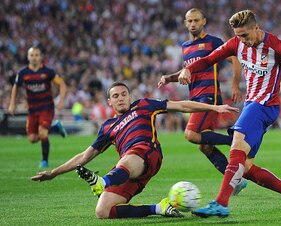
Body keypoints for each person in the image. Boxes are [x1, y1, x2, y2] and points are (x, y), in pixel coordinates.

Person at [176, 10, 281, 218]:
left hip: (264, 105)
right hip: (252, 104)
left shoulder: (277, 47)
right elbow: (209, 59)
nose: (242, 40)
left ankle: (220, 203)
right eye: (238, 35)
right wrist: (190, 69)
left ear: (256, 28)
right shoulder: (236, 43)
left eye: (245, 35)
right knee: (244, 166)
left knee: (236, 145)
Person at [31, 81, 240, 219]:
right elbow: (85, 156)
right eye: (116, 96)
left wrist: (214, 108)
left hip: (147, 153)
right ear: (109, 101)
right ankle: (159, 208)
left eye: (124, 94)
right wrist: (54, 173)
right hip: (128, 170)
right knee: (103, 211)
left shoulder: (143, 106)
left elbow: (181, 106)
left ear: (129, 96)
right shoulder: (107, 127)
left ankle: (102, 182)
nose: (121, 98)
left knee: (130, 155)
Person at [158, 8, 246, 195]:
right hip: (195, 96)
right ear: (185, 23)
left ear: (203, 21)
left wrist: (235, 84)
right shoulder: (185, 47)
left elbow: (235, 59)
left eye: (196, 20)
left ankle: (234, 141)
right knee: (204, 145)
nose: (193, 24)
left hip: (210, 95)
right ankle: (236, 180)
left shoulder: (213, 42)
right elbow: (187, 72)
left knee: (190, 134)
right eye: (189, 21)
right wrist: (169, 77)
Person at [8, 46, 67, 168]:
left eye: (36, 55)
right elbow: (15, 87)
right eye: (32, 55)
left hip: (47, 107)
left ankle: (44, 161)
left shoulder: (47, 71)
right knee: (32, 138)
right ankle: (56, 127)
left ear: (40, 57)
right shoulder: (23, 73)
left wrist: (61, 100)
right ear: (28, 57)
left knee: (42, 133)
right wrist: (12, 104)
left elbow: (62, 84)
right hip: (33, 109)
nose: (34, 57)